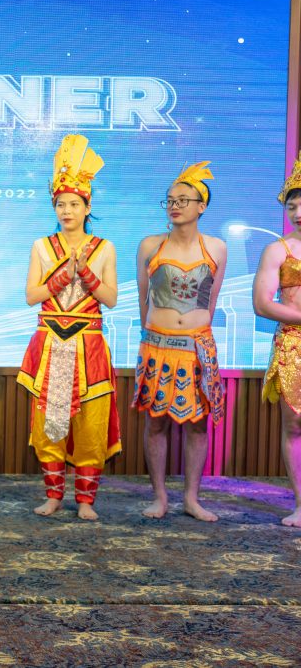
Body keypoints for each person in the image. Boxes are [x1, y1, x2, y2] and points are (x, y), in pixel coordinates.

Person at [17, 135, 121, 521]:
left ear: (88, 206)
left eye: (74, 204)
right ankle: (53, 496)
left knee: (91, 421)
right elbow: (31, 295)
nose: (67, 210)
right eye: (61, 204)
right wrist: (61, 278)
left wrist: (87, 275)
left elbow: (111, 298)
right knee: (49, 422)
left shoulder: (104, 248)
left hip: (88, 344)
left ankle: (86, 500)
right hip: (50, 344)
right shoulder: (42, 246)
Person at [133, 162, 227, 521]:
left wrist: (197, 333)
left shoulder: (216, 248)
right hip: (158, 345)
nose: (175, 206)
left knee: (198, 424)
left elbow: (211, 301)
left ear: (202, 206)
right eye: (170, 200)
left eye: (183, 200)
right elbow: (144, 298)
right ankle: (159, 497)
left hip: (197, 346)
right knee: (156, 421)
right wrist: (151, 335)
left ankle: (191, 498)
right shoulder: (150, 245)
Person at [255, 151, 301, 527]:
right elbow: (262, 303)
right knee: (294, 427)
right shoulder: (278, 250)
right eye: (292, 205)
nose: (298, 211)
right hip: (292, 345)